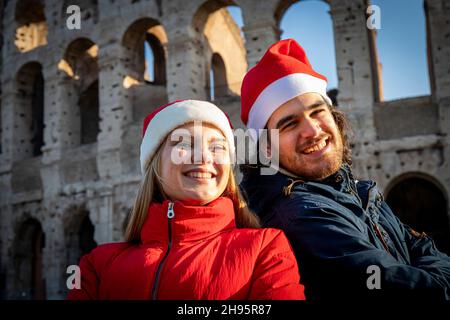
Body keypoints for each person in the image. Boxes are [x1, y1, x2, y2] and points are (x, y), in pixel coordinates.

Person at [239, 39, 450, 300]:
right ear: (267, 149)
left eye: (317, 112)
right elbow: (410, 291)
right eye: (289, 125)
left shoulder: (360, 191)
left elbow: (421, 244)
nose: (313, 131)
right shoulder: (301, 214)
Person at [67, 99, 305, 300]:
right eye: (184, 144)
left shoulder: (266, 248)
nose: (203, 156)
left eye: (218, 147)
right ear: (154, 163)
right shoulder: (96, 266)